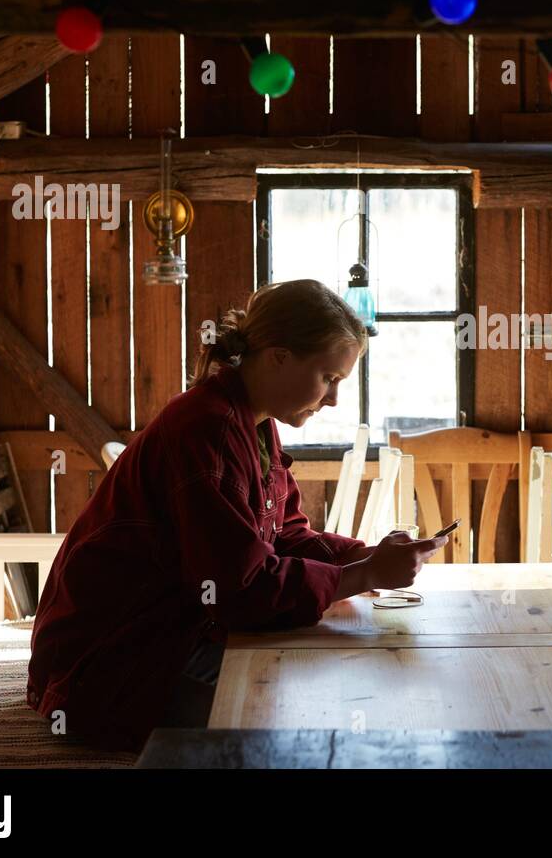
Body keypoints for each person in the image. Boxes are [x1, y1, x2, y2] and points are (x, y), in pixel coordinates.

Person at [26, 279, 447, 752]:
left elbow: (284, 534)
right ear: (278, 357)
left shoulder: (256, 423)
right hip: (112, 663)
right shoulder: (209, 428)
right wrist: (365, 573)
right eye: (329, 378)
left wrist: (367, 557)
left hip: (172, 631)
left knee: (327, 680)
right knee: (302, 716)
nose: (333, 399)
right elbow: (241, 590)